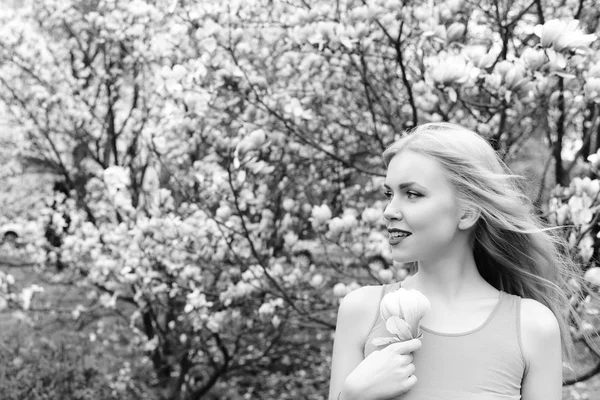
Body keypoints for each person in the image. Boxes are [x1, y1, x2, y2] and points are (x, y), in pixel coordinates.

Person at [328, 122, 586, 400]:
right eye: (389, 194)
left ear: (467, 213)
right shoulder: (361, 311)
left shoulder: (533, 327)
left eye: (412, 194)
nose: (389, 211)